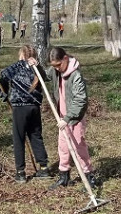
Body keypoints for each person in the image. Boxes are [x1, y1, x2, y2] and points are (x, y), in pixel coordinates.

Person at [42, 46, 97, 190]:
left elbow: (81, 100)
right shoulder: (56, 70)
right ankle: (64, 176)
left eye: (58, 65)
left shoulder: (75, 75)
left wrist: (67, 118)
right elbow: (45, 75)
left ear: (65, 58)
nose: (57, 69)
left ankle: (89, 176)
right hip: (62, 118)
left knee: (79, 147)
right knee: (63, 147)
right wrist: (35, 65)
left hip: (74, 117)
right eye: (54, 66)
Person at [0, 45, 51, 183]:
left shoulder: (18, 66)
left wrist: (3, 91)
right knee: (36, 136)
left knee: (19, 139)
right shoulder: (37, 68)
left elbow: (3, 75)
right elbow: (45, 78)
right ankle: (44, 168)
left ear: (22, 54)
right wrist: (4, 91)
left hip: (20, 108)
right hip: (34, 107)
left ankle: (20, 172)